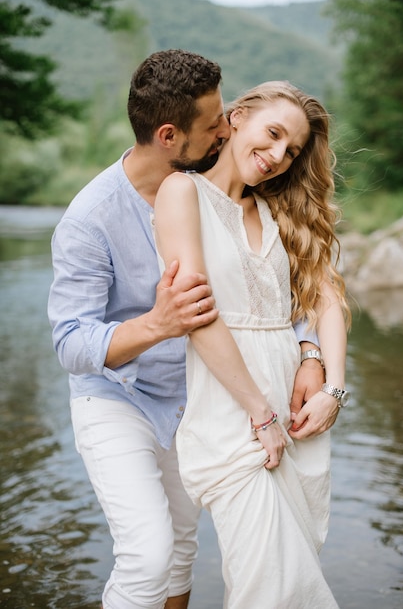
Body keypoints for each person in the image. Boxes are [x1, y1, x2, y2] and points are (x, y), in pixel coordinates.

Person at [48, 49, 325, 609]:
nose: (227, 128)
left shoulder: (223, 173)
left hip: (198, 397)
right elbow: (72, 344)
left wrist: (310, 347)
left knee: (179, 551)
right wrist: (156, 324)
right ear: (169, 135)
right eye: (215, 122)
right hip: (119, 399)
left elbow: (268, 281)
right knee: (147, 558)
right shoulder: (90, 218)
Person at [154, 80, 351, 608]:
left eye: (292, 150)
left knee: (291, 574)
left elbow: (327, 299)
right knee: (274, 586)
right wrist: (258, 414)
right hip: (233, 415)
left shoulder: (280, 210)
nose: (278, 156)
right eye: (273, 134)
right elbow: (198, 315)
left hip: (295, 414)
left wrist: (333, 387)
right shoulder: (183, 193)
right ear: (237, 116)